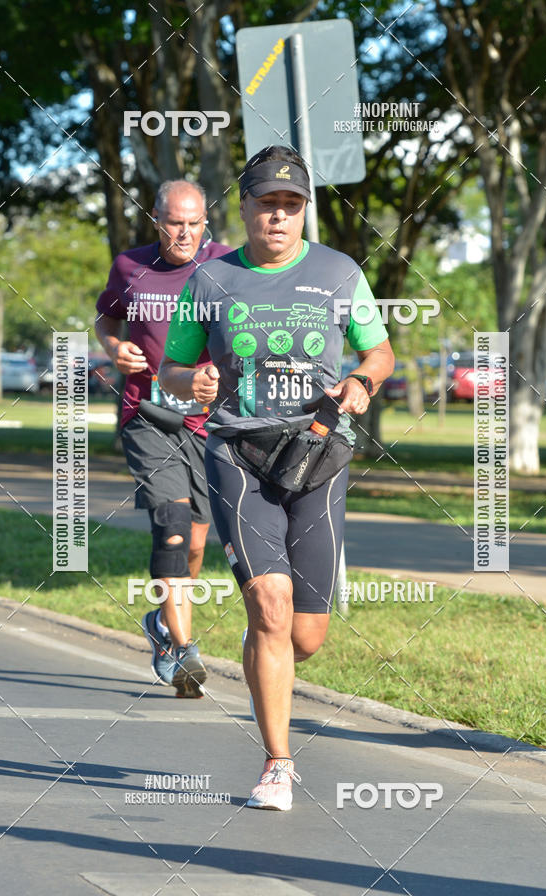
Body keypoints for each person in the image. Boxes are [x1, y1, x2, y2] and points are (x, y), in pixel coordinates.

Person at [159, 146, 394, 808]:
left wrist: (363, 379)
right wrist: (191, 381)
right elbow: (170, 371)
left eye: (291, 206)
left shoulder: (339, 272)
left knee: (305, 636)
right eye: (268, 205)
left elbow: (379, 350)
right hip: (237, 454)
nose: (279, 218)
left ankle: (264, 644)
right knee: (271, 605)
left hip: (318, 457)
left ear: (303, 212)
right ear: (245, 207)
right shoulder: (210, 282)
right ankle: (278, 765)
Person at [95, 179, 230, 696]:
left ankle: (162, 624)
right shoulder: (131, 267)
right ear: (157, 219)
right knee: (171, 522)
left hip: (207, 420)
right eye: (176, 223)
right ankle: (182, 648)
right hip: (147, 411)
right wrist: (112, 346)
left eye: (195, 223)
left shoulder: (226, 266)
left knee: (196, 540)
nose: (186, 233)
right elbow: (107, 316)